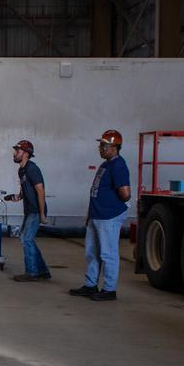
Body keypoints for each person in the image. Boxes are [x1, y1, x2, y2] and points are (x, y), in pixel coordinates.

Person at [70, 129, 131, 302]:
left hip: (108, 217)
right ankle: (90, 285)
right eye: (101, 145)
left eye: (104, 145)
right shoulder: (106, 165)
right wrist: (90, 214)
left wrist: (110, 206)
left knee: (108, 254)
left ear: (115, 147)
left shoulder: (119, 165)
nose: (101, 148)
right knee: (92, 252)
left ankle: (109, 289)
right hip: (96, 216)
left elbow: (125, 194)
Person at [5, 140, 51, 282]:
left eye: (17, 151)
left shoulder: (32, 169)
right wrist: (17, 197)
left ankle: (32, 272)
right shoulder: (22, 170)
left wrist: (42, 213)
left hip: (36, 210)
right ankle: (42, 271)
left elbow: (40, 190)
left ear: (26, 154)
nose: (14, 154)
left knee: (26, 238)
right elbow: (25, 188)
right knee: (27, 239)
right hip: (29, 210)